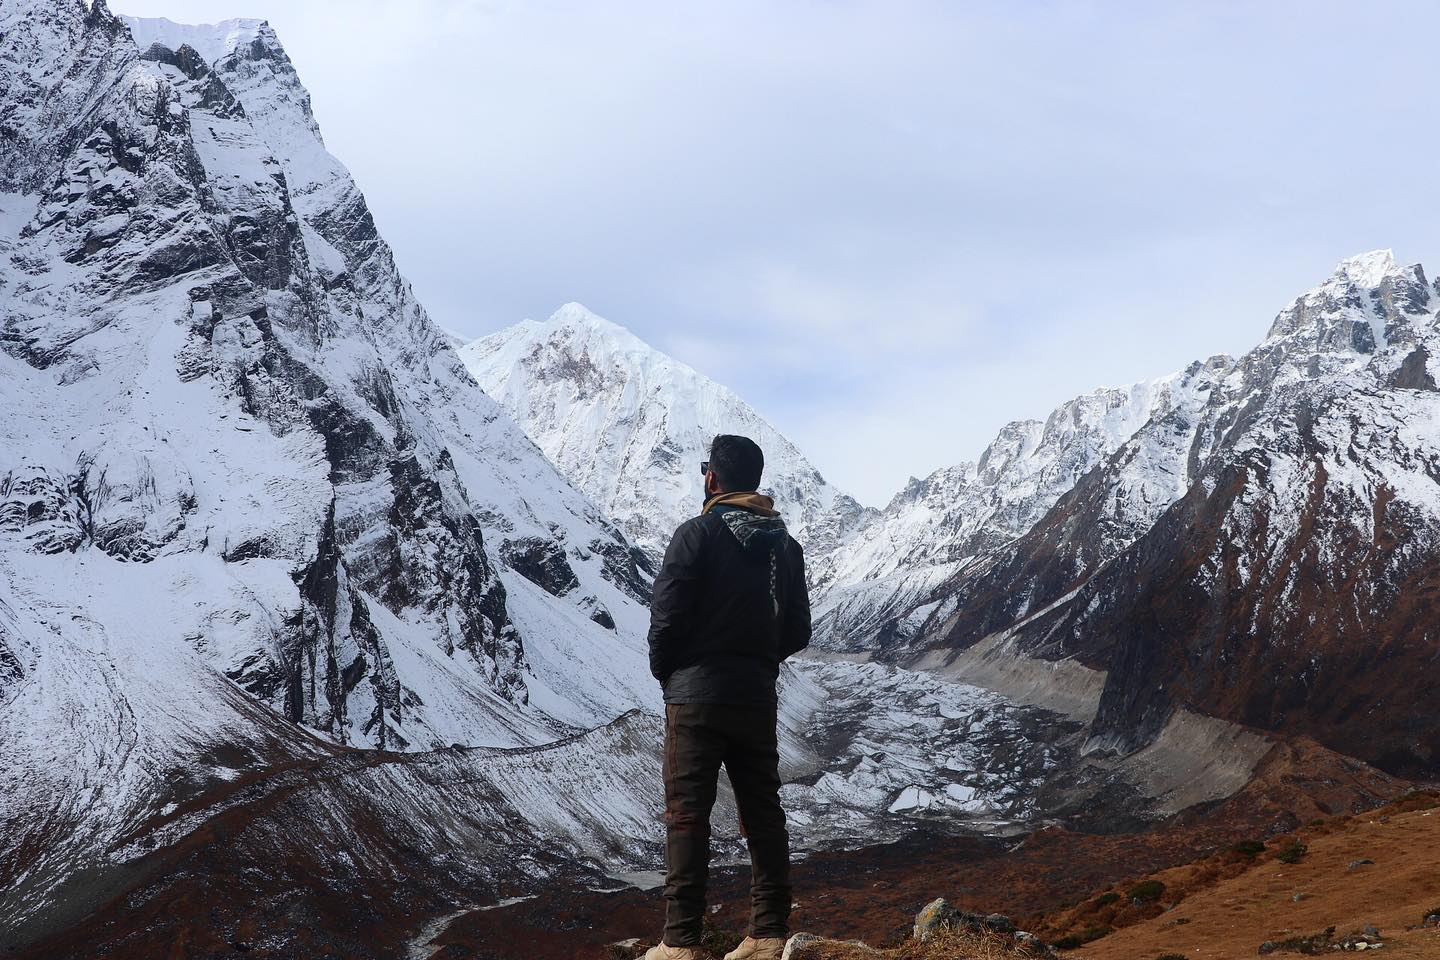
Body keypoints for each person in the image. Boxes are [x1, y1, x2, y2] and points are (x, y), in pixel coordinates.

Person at [644, 434, 812, 960]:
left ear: (712, 478)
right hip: (755, 699)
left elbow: (668, 615)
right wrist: (759, 661)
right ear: (755, 481)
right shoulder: (785, 547)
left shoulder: (695, 534)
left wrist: (667, 670)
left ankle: (681, 944)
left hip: (694, 698)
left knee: (688, 816)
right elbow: (798, 629)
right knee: (763, 812)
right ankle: (767, 935)